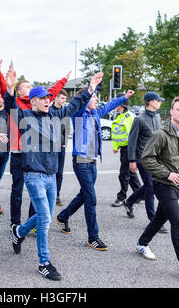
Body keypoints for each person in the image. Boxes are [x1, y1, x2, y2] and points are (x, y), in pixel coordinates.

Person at [5, 65, 102, 280]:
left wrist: (91, 88)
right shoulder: (24, 117)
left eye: (49, 96)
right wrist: (10, 88)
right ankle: (44, 262)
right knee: (44, 218)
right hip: (34, 176)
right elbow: (10, 105)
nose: (48, 99)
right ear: (32, 101)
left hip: (51, 177)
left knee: (44, 216)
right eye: (43, 97)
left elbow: (76, 104)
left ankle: (18, 232)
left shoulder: (56, 116)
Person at [0, 55, 70, 229]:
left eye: (32, 87)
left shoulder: (39, 104)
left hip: (37, 155)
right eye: (27, 86)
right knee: (17, 191)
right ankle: (15, 223)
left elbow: (53, 91)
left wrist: (64, 79)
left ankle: (32, 223)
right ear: (19, 91)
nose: (31, 88)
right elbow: (5, 89)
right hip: (20, 153)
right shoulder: (16, 104)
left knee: (37, 193)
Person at [135, 96, 179, 278]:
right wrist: (167, 173)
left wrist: (177, 174)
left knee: (160, 218)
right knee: (178, 221)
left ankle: (142, 243)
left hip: (177, 185)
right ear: (172, 112)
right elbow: (146, 158)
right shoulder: (160, 134)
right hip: (162, 183)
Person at [56, 89, 135, 251]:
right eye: (93, 97)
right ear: (85, 99)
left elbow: (110, 105)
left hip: (92, 162)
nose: (97, 99)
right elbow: (80, 101)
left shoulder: (96, 113)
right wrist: (88, 90)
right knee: (91, 199)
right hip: (81, 162)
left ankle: (63, 216)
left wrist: (124, 98)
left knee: (84, 195)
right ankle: (93, 237)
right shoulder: (78, 114)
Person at [123, 92, 168, 234]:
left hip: (155, 158)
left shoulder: (158, 117)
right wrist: (132, 161)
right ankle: (153, 219)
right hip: (142, 158)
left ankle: (129, 201)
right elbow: (132, 142)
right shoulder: (139, 119)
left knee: (151, 185)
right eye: (157, 100)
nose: (160, 102)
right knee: (150, 187)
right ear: (150, 102)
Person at [111, 92, 141, 207]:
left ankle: (121, 197)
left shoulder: (129, 117)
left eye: (116, 102)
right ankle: (140, 193)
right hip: (124, 148)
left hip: (129, 148)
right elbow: (118, 133)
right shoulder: (121, 116)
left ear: (121, 104)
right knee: (131, 173)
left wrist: (132, 153)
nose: (114, 104)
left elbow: (132, 137)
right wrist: (116, 147)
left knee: (123, 174)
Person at [49, 89, 70, 206]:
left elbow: (67, 129)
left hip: (60, 146)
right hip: (50, 147)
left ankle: (57, 195)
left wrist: (64, 143)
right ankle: (50, 193)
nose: (64, 101)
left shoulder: (65, 111)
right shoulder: (50, 111)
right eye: (62, 98)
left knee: (60, 172)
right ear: (56, 98)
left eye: (65, 99)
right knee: (51, 169)